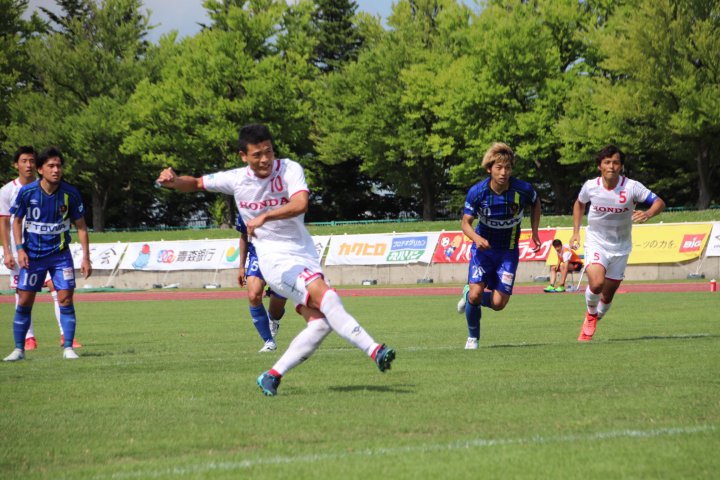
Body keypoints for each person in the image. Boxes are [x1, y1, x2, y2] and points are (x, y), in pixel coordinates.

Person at [156, 123, 395, 396]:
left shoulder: (290, 169)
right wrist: (174, 182)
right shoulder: (236, 179)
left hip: (304, 253)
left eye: (268, 151)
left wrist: (265, 216)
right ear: (243, 156)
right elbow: (198, 183)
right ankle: (375, 350)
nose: (265, 159)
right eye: (257, 154)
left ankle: (271, 375)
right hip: (274, 260)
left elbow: (300, 203)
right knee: (327, 297)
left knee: (320, 323)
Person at [3, 147, 91, 362]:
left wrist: (86, 257)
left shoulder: (70, 193)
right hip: (33, 256)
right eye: (51, 166)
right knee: (24, 300)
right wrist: (20, 249)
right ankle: (19, 349)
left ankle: (68, 347)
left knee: (65, 298)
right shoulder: (27, 192)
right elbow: (15, 221)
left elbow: (81, 226)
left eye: (59, 166)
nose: (56, 170)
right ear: (41, 169)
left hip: (61, 256)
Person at [569, 145, 665, 342]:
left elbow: (659, 202)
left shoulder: (632, 187)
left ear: (621, 166)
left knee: (607, 296)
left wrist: (648, 213)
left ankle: (596, 316)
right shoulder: (590, 186)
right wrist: (576, 232)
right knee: (596, 283)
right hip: (596, 242)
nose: (611, 166)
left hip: (621, 247)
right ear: (599, 166)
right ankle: (590, 314)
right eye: (607, 162)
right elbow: (579, 204)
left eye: (615, 162)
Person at [460, 142, 541, 349]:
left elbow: (536, 203)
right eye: (499, 168)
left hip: (508, 253)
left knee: (498, 304)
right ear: (489, 169)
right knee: (476, 293)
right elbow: (465, 223)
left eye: (507, 168)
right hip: (483, 252)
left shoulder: (522, 189)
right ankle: (473, 338)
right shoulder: (477, 192)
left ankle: (468, 297)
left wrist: (534, 232)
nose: (504, 172)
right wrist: (476, 239)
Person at [236, 214, 286, 352]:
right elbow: (243, 237)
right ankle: (269, 342)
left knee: (277, 306)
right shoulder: (244, 209)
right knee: (253, 295)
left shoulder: (279, 205)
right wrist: (241, 267)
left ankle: (273, 319)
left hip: (280, 256)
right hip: (257, 256)